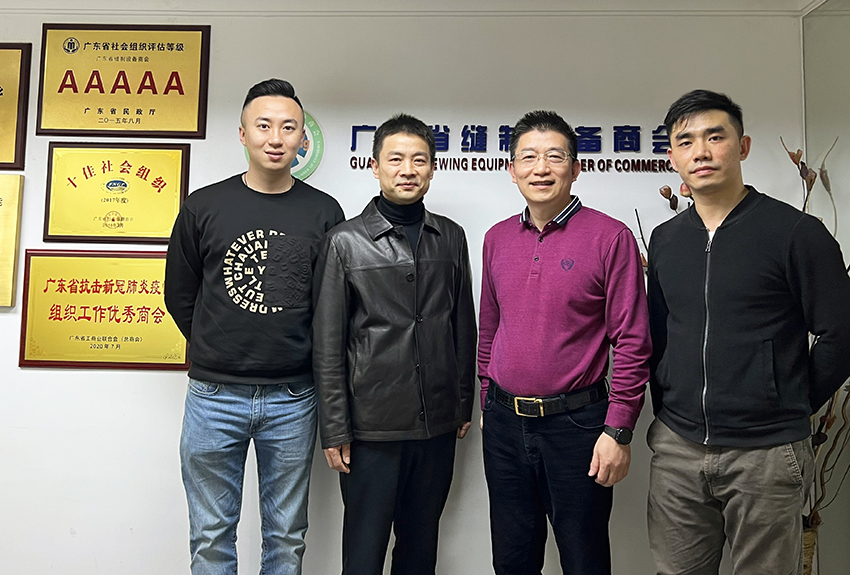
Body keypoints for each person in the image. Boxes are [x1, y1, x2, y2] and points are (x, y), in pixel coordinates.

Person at [647, 89, 850, 575]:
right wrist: (670, 404)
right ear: (672, 156)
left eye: (715, 137)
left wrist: (788, 399)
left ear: (743, 147)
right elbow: (659, 334)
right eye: (686, 141)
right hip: (678, 447)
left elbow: (841, 334)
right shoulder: (666, 239)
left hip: (766, 453)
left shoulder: (796, 233)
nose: (701, 151)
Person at [164, 78, 344, 575]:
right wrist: (216, 346)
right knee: (210, 535)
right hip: (213, 396)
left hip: (294, 398)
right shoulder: (203, 206)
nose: (276, 138)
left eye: (288, 128)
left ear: (303, 138)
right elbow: (179, 294)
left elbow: (331, 308)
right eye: (263, 126)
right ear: (243, 134)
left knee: (286, 536)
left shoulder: (325, 212)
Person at [477, 110, 652, 575]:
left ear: (576, 169)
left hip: (578, 427)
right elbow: (490, 329)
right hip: (504, 424)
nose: (541, 168)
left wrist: (618, 430)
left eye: (555, 157)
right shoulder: (496, 238)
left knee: (583, 558)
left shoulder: (610, 237)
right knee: (512, 558)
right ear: (511, 170)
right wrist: (486, 399)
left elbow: (632, 340)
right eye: (528, 157)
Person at [313, 113, 476, 575]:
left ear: (432, 168)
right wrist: (335, 428)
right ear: (375, 166)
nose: (408, 170)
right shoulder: (344, 242)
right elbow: (328, 344)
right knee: (364, 553)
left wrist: (462, 402)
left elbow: (463, 325)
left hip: (436, 423)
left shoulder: (451, 236)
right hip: (371, 429)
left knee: (420, 551)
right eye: (396, 159)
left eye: (419, 160)